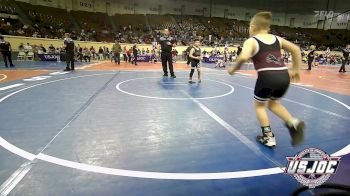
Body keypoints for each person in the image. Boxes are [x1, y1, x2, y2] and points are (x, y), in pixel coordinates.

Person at [228, 12, 305, 147]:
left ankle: (268, 137)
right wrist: (296, 69)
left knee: (259, 106)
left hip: (267, 77)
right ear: (267, 28)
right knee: (273, 104)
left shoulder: (252, 41)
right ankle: (294, 122)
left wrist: (233, 69)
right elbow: (296, 49)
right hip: (283, 76)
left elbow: (243, 57)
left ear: (253, 27)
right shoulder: (277, 39)